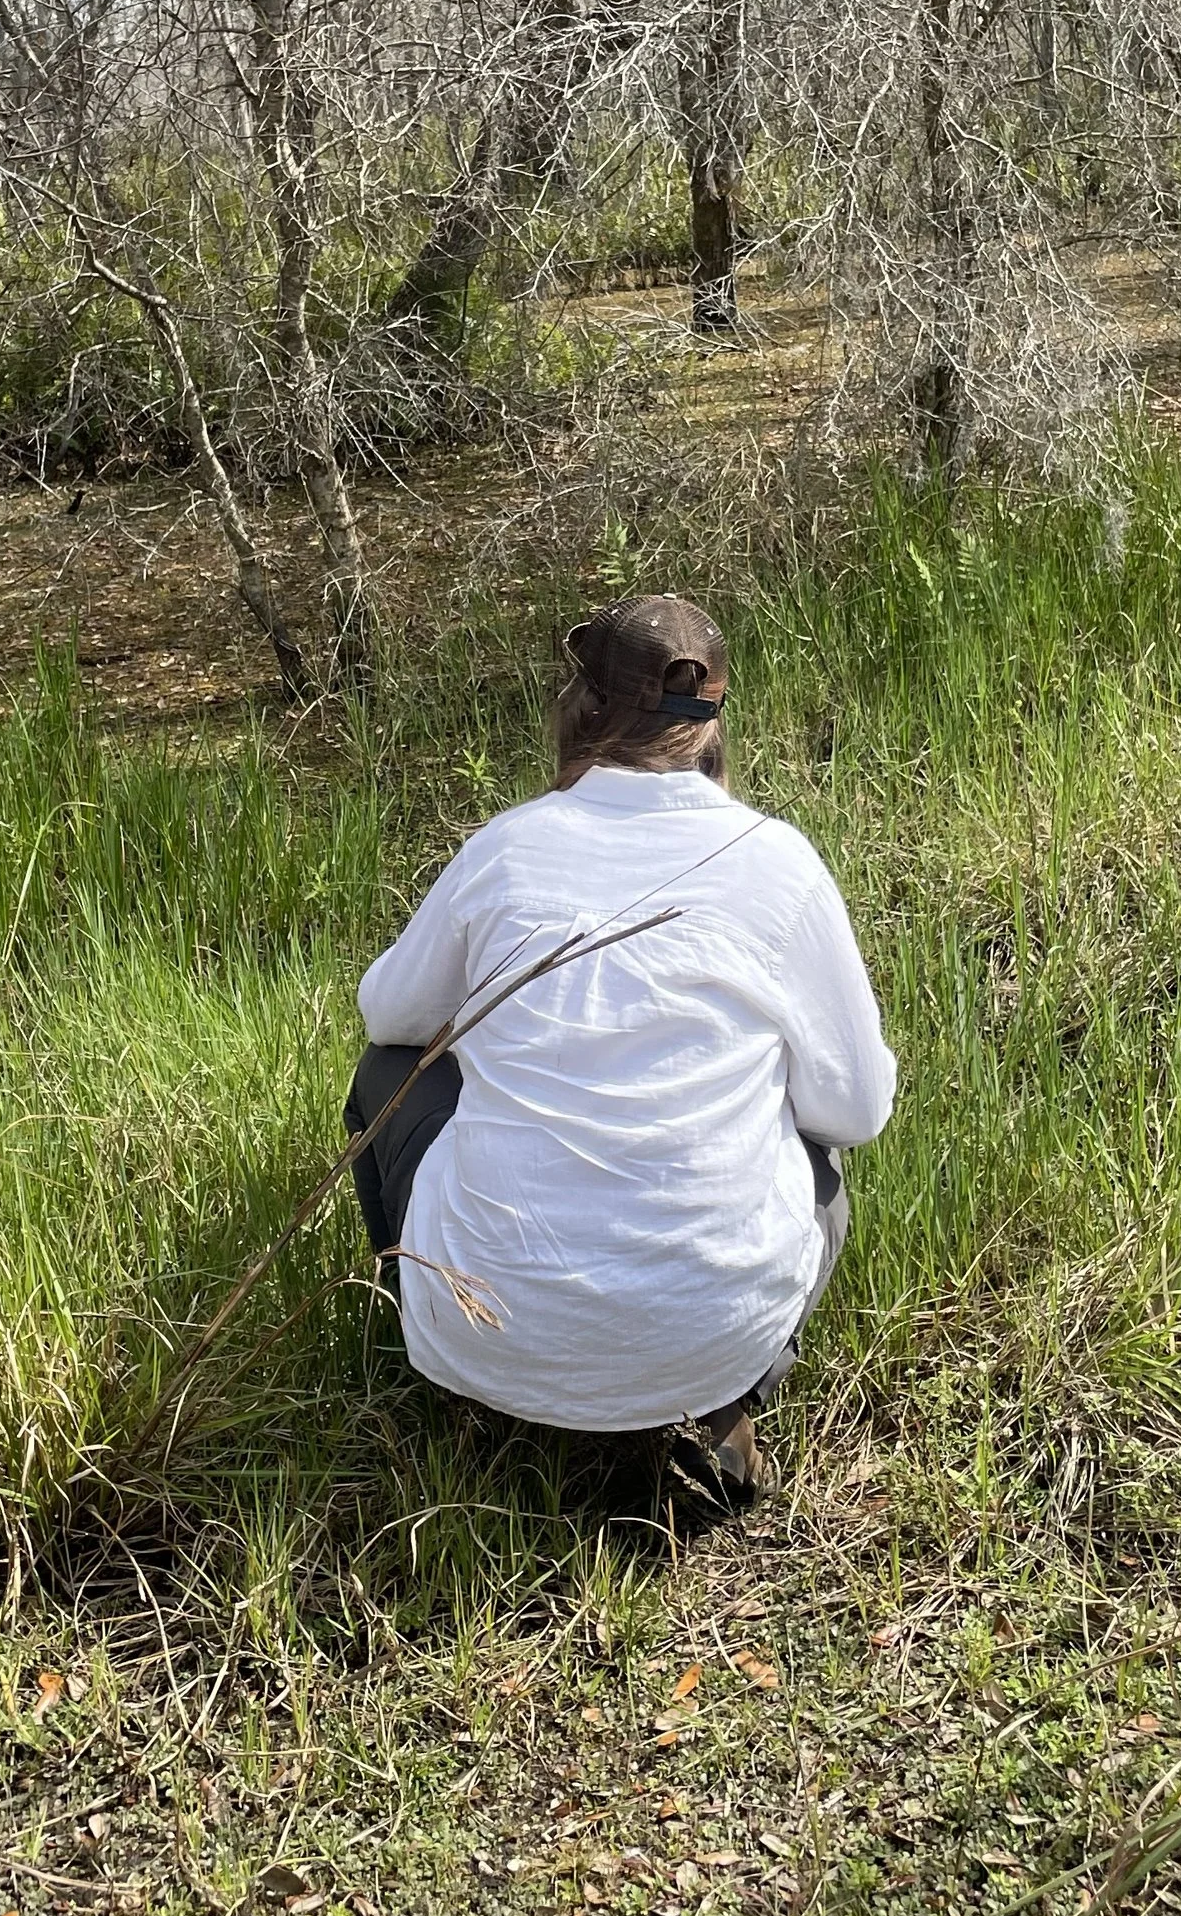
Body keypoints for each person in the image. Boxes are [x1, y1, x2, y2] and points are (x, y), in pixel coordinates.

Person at [345, 593, 896, 1499]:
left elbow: (388, 1015)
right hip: (716, 1327)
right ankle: (724, 1403)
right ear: (715, 720)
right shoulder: (778, 861)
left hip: (494, 1330)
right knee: (819, 1150)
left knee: (388, 1075)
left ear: (583, 710)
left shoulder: (508, 849)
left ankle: (467, 1383)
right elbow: (859, 1108)